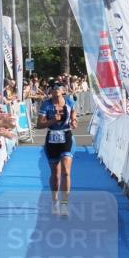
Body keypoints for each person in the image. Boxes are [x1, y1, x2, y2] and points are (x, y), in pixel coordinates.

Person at [38, 84, 78, 213]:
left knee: (66, 171)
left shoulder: (69, 101)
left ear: (63, 91)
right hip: (52, 139)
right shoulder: (46, 105)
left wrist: (74, 121)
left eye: (58, 88)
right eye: (53, 88)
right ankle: (54, 200)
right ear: (51, 91)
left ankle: (65, 203)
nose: (56, 90)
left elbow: (73, 114)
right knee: (55, 174)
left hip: (66, 137)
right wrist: (51, 121)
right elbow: (39, 125)